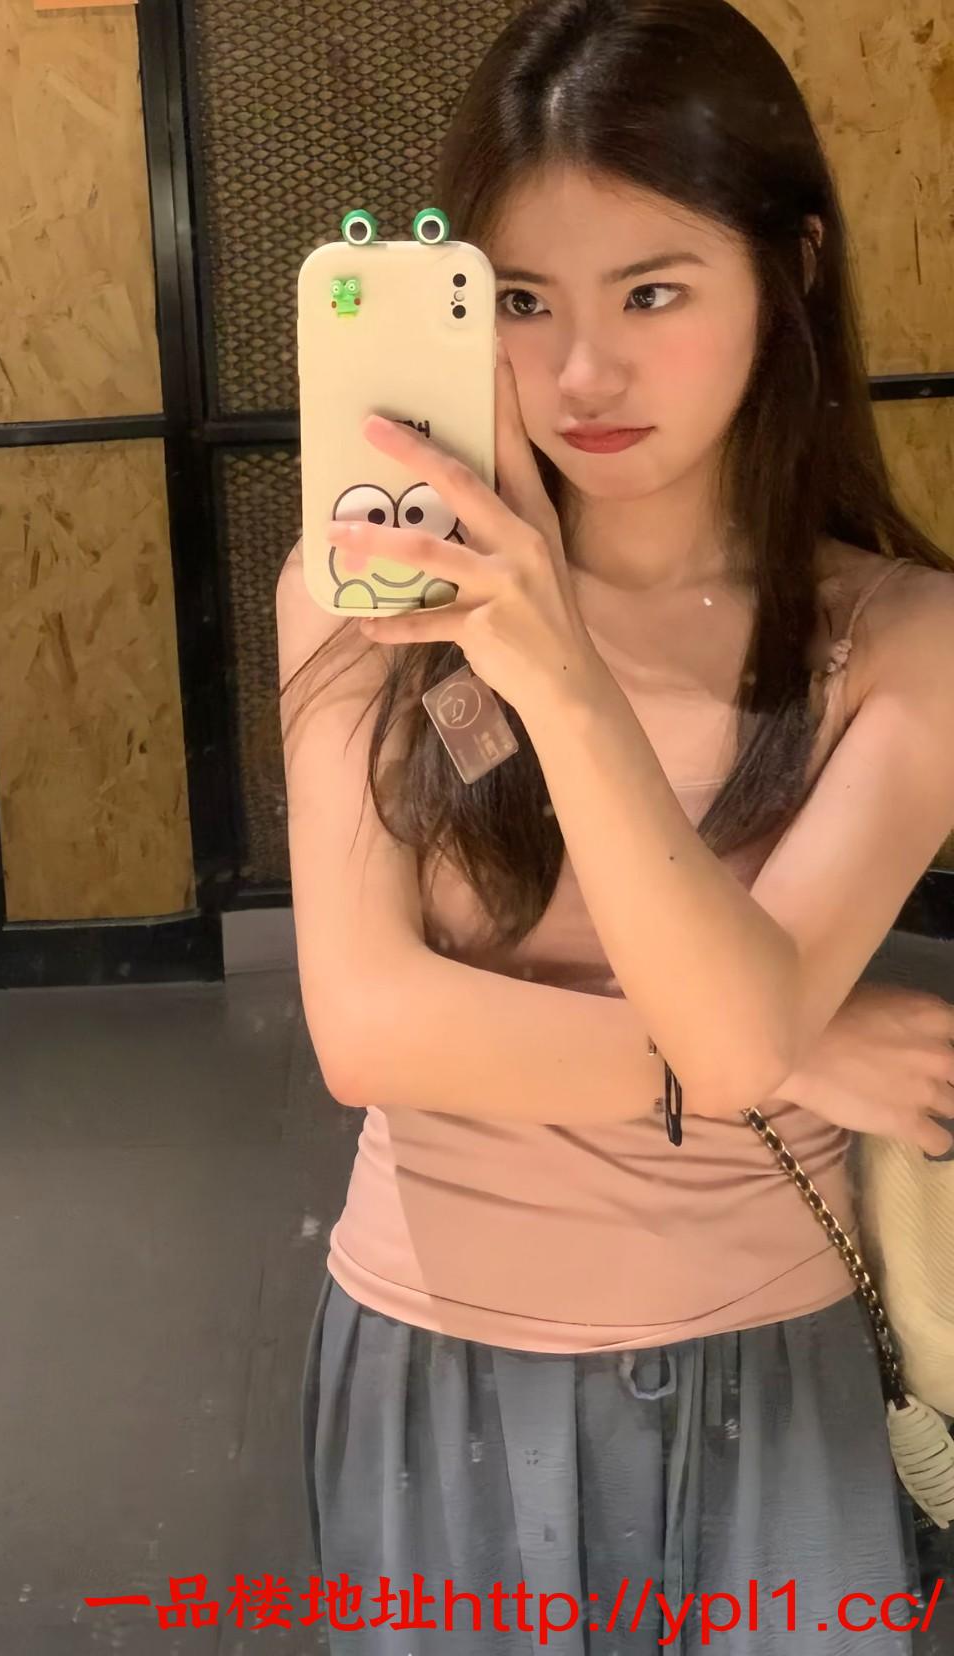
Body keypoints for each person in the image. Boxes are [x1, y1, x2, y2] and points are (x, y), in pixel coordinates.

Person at [275, 0, 954, 1650]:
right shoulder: (355, 596)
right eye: (520, 301)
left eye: (654, 291)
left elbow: (730, 1037)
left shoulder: (901, 643)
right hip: (436, 1353)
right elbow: (369, 1029)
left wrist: (558, 673)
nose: (581, 372)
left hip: (771, 1357)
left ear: (788, 271)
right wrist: (806, 1050)